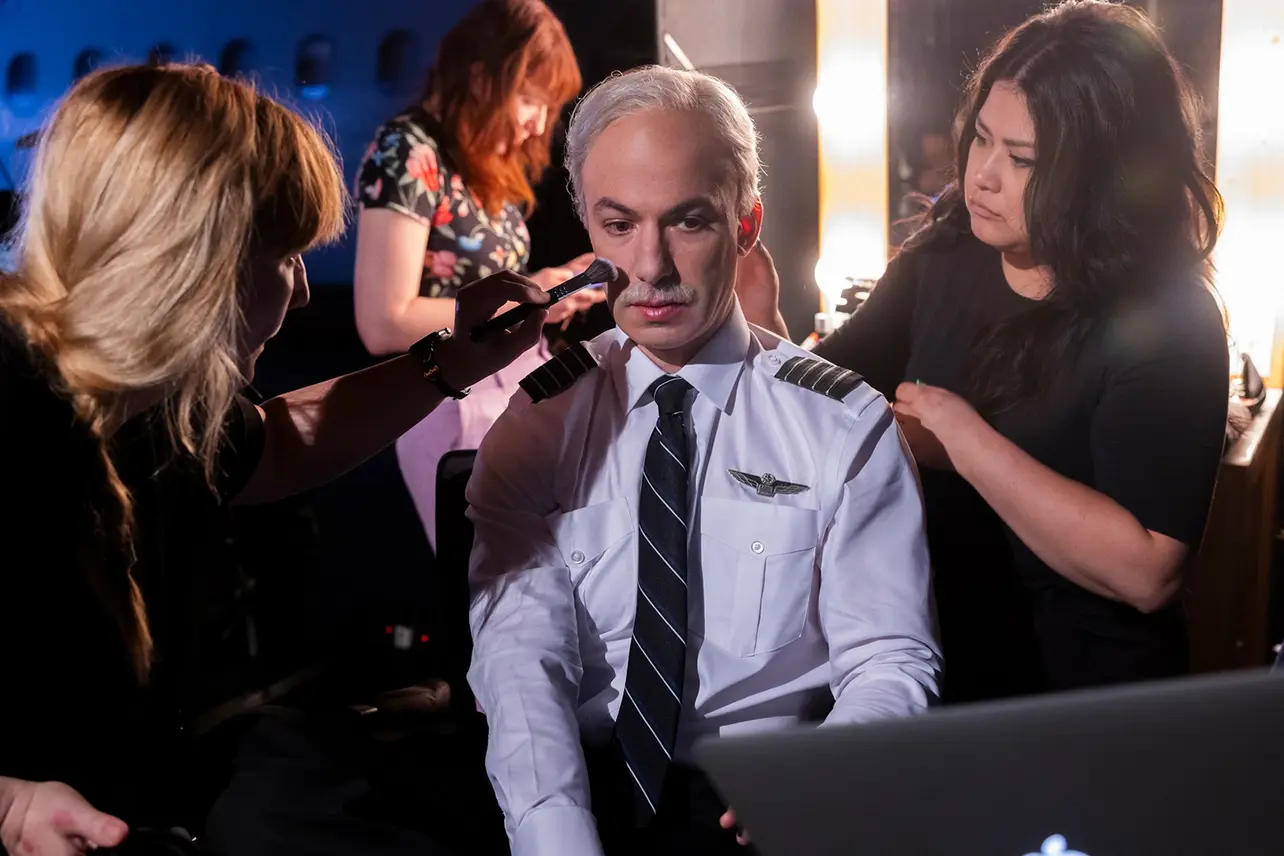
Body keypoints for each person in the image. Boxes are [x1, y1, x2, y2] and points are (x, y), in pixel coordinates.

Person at [0, 62, 550, 856]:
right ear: (194, 260)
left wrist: (451, 364)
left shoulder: (136, 398)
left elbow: (274, 445)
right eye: (284, 258)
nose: (297, 296)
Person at [466, 65, 941, 856]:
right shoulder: (541, 420)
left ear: (747, 225)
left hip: (764, 797)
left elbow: (890, 655)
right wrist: (559, 841)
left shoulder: (840, 425)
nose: (650, 267)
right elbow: (523, 664)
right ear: (585, 223)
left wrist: (825, 775)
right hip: (575, 784)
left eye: (687, 223)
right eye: (618, 226)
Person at [748, 0, 1228, 703]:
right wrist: (760, 325)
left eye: (1022, 158)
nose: (982, 176)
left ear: (1101, 172)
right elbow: (831, 389)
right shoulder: (947, 253)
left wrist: (963, 438)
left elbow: (1146, 568)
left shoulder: (1170, 320)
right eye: (980, 140)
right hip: (943, 666)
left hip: (1082, 698)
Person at [354, 0, 604, 548]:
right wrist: (527, 303)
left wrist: (550, 286)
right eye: (530, 100)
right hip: (450, 400)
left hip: (512, 389)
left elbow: (493, 289)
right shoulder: (408, 149)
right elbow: (383, 320)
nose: (540, 123)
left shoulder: (482, 164)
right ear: (481, 78)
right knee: (499, 595)